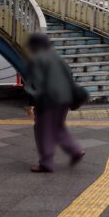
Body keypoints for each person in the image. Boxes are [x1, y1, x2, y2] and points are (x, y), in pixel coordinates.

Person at [24, 33, 84, 173]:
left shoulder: (37, 60)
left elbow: (34, 85)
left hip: (48, 100)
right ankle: (75, 150)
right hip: (65, 98)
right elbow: (69, 76)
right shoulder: (58, 59)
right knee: (58, 127)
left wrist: (32, 104)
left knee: (42, 130)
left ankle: (46, 163)